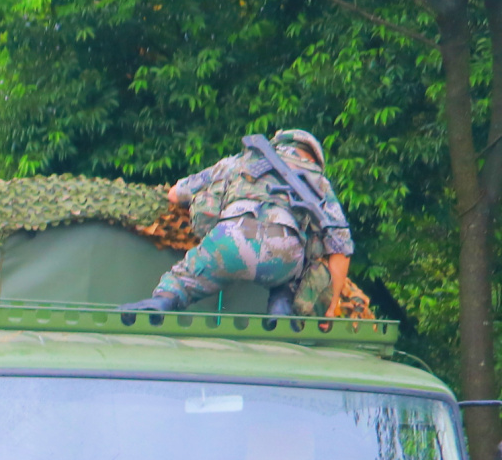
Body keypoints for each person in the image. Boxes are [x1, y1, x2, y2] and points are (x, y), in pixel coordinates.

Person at [124, 129, 354, 320]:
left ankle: (161, 303)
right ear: (314, 158)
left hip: (230, 238)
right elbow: (341, 246)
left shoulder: (239, 162)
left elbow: (176, 194)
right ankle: (282, 310)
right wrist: (331, 308)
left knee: (184, 280)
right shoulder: (319, 183)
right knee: (298, 273)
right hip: (283, 253)